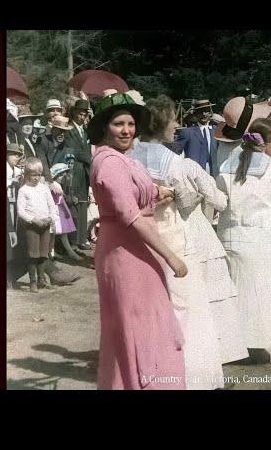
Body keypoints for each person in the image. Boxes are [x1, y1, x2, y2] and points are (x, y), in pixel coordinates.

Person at [87, 91, 187, 390]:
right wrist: (171, 255)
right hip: (124, 252)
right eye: (119, 124)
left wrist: (159, 191)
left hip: (136, 250)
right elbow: (129, 214)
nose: (127, 130)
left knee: (149, 321)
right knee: (135, 327)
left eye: (131, 124)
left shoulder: (122, 159)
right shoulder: (109, 163)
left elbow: (137, 192)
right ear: (105, 127)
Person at [128, 95, 227, 388]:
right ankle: (193, 376)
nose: (177, 126)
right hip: (171, 238)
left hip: (140, 238)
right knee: (185, 306)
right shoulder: (174, 162)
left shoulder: (130, 156)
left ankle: (150, 370)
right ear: (162, 124)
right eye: (173, 120)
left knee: (147, 306)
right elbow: (184, 205)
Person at [216, 118, 271, 363]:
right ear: (268, 143)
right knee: (261, 292)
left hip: (230, 236)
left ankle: (231, 343)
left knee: (233, 290)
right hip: (258, 237)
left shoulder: (228, 164)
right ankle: (259, 342)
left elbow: (220, 199)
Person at [17, 157, 55, 293]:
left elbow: (52, 205)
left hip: (45, 225)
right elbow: (20, 211)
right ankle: (32, 281)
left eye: (39, 175)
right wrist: (33, 220)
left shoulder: (44, 188)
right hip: (32, 227)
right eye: (33, 175)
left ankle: (41, 279)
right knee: (33, 254)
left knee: (44, 254)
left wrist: (51, 218)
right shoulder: (24, 190)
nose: (36, 178)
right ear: (27, 174)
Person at [65, 99, 92, 251]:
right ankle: (73, 242)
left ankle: (81, 240)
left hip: (85, 171)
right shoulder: (69, 131)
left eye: (84, 115)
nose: (82, 117)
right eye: (80, 114)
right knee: (73, 204)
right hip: (74, 170)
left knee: (83, 203)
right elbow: (72, 150)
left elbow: (87, 149)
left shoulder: (86, 131)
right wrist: (90, 160)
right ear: (74, 113)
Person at [170, 99, 218, 174]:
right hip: (194, 176)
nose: (204, 114)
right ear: (195, 114)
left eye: (207, 110)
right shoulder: (187, 132)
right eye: (201, 111)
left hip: (214, 176)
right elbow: (172, 154)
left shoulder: (216, 131)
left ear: (211, 112)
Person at [49, 163, 81, 262]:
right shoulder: (55, 185)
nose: (63, 177)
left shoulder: (56, 184)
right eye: (61, 175)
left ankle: (65, 251)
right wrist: (66, 212)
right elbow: (59, 201)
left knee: (60, 233)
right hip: (57, 210)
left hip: (59, 209)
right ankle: (53, 252)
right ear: (56, 175)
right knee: (54, 233)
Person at [7, 143, 25, 289]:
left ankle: (11, 277)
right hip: (6, 204)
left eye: (18, 155)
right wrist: (12, 181)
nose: (17, 157)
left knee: (13, 238)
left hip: (14, 205)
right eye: (13, 154)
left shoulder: (16, 170)